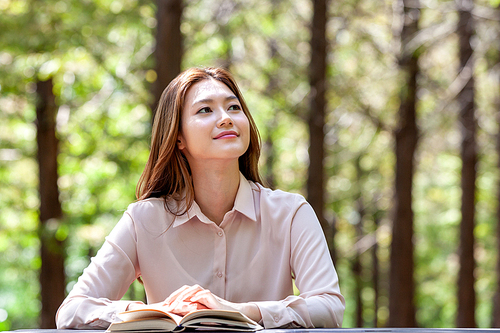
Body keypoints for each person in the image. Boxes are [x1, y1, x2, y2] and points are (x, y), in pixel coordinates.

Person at [56, 67, 345, 329]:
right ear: (178, 137)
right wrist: (158, 312)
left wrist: (241, 311)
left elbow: (330, 308)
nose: (226, 119)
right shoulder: (143, 220)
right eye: (205, 110)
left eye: (234, 107)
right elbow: (71, 310)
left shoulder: (291, 213)